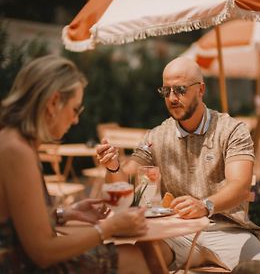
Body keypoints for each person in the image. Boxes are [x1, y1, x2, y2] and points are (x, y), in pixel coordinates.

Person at [97, 57, 260, 272]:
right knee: (124, 260)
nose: (172, 98)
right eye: (166, 91)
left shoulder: (231, 130)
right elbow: (124, 180)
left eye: (180, 90)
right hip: (175, 232)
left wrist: (205, 206)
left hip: (228, 230)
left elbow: (240, 186)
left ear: (201, 90)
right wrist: (113, 166)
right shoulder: (156, 136)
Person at [0, 55, 150, 274]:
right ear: (53, 103)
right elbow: (42, 252)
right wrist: (109, 228)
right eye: (75, 109)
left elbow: (18, 223)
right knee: (133, 257)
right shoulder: (17, 151)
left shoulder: (12, 139)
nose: (76, 120)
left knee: (138, 254)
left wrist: (66, 213)